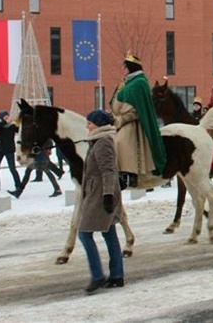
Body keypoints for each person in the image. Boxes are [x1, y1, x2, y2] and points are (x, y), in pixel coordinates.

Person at [78, 109, 125, 294]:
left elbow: (108, 170)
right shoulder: (97, 141)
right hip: (97, 192)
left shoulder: (103, 142)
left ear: (98, 124)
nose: (87, 126)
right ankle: (116, 275)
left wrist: (107, 196)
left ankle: (98, 275)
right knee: (109, 233)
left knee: (84, 233)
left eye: (90, 123)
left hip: (100, 195)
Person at [110, 54, 167, 188]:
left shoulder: (139, 83)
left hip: (133, 123)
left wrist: (121, 119)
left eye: (125, 66)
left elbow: (138, 109)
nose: (123, 69)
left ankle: (131, 173)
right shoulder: (127, 83)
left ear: (131, 67)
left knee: (121, 142)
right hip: (120, 120)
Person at [0, 110, 22, 193]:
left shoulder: (11, 125)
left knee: (12, 168)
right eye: (5, 117)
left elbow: (18, 130)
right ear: (1, 117)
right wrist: (5, 121)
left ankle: (18, 186)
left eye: (8, 116)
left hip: (9, 150)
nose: (8, 118)